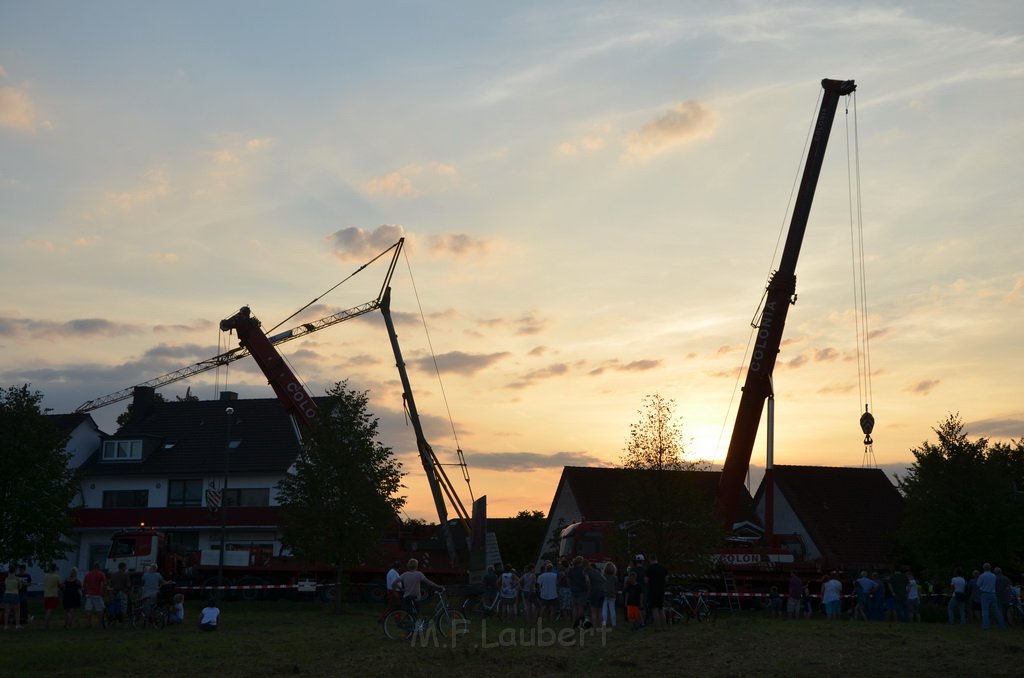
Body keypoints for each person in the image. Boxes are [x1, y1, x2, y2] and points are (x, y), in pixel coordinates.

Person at [977, 562, 1006, 630]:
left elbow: (978, 585)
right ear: (990, 568)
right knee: (996, 610)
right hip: (993, 594)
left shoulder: (982, 576)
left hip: (985, 594)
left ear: (983, 568)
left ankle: (985, 626)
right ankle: (1002, 625)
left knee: (985, 611)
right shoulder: (993, 576)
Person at [645, 555, 669, 631]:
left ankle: (658, 628)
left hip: (652, 591)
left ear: (650, 559)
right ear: (657, 559)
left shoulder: (649, 568)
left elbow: (646, 580)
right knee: (661, 609)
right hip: (661, 590)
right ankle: (664, 627)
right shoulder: (663, 568)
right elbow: (666, 580)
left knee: (655, 609)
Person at [82, 562, 107, 628]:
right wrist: (103, 592)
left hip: (89, 594)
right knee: (100, 609)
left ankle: (89, 623)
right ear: (99, 567)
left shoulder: (88, 574)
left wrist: (85, 592)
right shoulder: (101, 574)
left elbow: (84, 584)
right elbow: (103, 584)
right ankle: (100, 623)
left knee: (89, 609)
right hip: (97, 594)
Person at [567, 556, 589, 627]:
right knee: (580, 608)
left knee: (574, 608)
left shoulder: (571, 570)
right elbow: (587, 580)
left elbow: (568, 580)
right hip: (582, 590)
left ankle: (574, 623)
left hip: (573, 590)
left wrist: (571, 586)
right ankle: (579, 623)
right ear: (581, 562)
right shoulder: (583, 570)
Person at [42, 563, 62, 629]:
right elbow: (60, 585)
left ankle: (47, 624)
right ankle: (45, 624)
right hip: (53, 595)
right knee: (50, 611)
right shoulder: (56, 577)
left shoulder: (45, 576)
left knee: (47, 610)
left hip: (46, 595)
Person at [3, 565, 21, 629]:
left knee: (6, 611)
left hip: (7, 594)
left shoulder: (6, 578)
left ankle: (5, 626)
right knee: (17, 611)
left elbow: (5, 586)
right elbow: (19, 587)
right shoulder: (17, 579)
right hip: (14, 594)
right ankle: (17, 625)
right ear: (15, 571)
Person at [601, 562, 618, 628]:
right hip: (612, 594)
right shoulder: (615, 578)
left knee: (604, 609)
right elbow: (616, 586)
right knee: (612, 609)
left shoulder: (602, 577)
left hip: (604, 594)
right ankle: (614, 623)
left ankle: (604, 623)